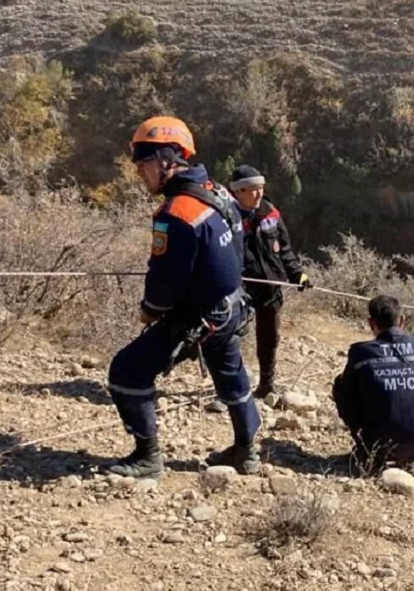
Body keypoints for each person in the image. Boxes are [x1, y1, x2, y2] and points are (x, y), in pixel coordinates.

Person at [105, 116, 262, 478]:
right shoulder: (219, 192)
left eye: (143, 165)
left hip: (197, 317)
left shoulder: (175, 213)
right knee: (231, 376)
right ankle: (247, 451)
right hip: (232, 307)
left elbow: (165, 282)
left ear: (166, 161)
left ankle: (148, 457)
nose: (140, 173)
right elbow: (233, 249)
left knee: (126, 372)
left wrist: (150, 310)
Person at [331, 295, 414, 474]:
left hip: (375, 448)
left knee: (341, 386)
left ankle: (366, 448)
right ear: (402, 320)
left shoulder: (360, 352)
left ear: (371, 323)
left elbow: (348, 393)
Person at [228, 164, 310, 399]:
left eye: (261, 188)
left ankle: (266, 383)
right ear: (238, 192)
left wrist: (297, 274)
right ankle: (230, 386)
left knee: (269, 336)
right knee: (231, 336)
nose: (258, 194)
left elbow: (284, 249)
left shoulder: (270, 212)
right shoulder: (227, 217)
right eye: (252, 189)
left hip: (270, 285)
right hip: (238, 287)